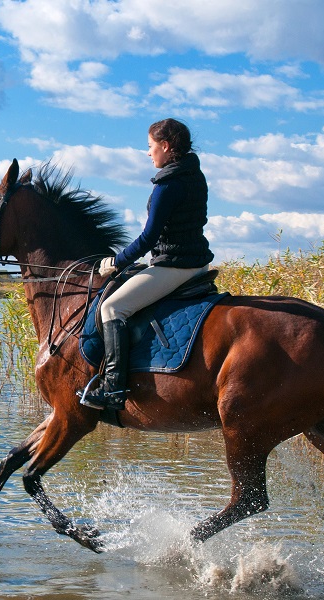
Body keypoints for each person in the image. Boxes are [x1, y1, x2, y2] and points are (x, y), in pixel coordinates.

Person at [79, 118, 214, 411]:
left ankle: (113, 389)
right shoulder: (194, 175)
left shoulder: (168, 185)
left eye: (151, 147)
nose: (149, 153)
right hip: (195, 264)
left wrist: (117, 262)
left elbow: (149, 237)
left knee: (112, 308)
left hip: (174, 267)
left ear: (165, 147)